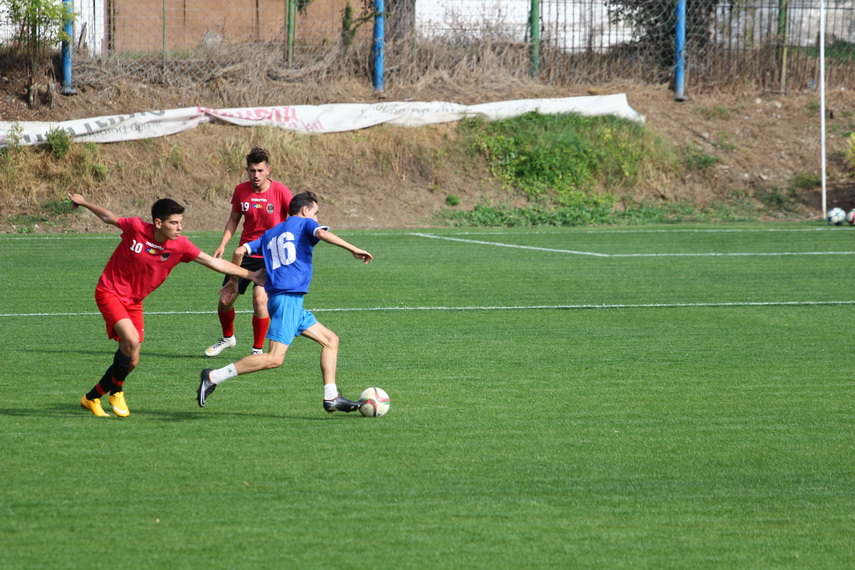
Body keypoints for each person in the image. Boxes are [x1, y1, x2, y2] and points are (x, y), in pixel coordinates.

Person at [68, 193, 265, 418]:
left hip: (134, 302)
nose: (179, 227)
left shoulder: (180, 245)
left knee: (132, 360)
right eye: (174, 223)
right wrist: (83, 203)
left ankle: (92, 397)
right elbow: (108, 218)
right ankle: (117, 391)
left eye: (181, 222)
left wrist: (251, 275)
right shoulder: (135, 227)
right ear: (158, 223)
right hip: (109, 292)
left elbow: (214, 262)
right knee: (131, 341)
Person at [197, 191, 373, 413]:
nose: (316, 219)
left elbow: (239, 250)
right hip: (287, 299)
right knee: (273, 359)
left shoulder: (271, 233)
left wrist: (234, 280)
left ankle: (332, 396)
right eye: (315, 213)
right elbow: (320, 232)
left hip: (286, 300)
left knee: (330, 340)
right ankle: (213, 376)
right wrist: (353, 249)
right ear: (305, 210)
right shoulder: (305, 224)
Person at [205, 147, 293, 358]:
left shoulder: (281, 191)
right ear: (247, 170)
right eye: (252, 170)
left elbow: (295, 219)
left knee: (259, 300)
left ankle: (256, 350)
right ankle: (228, 338)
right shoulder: (241, 190)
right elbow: (234, 218)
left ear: (268, 170)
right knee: (225, 300)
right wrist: (222, 244)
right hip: (244, 255)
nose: (256, 175)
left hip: (271, 256)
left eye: (260, 170)